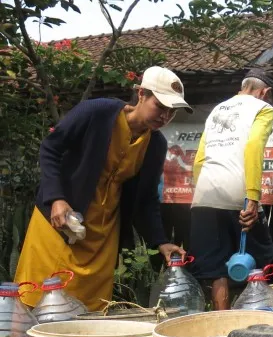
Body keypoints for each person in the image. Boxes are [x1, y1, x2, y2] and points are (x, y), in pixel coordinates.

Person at [14, 66, 190, 311]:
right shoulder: (97, 112)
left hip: (102, 235)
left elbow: (146, 198)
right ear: (141, 94)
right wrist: (56, 198)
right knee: (39, 300)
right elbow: (51, 149)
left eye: (171, 112)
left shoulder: (155, 144)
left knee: (90, 310)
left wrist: (160, 241)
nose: (164, 116)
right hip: (58, 223)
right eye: (160, 106)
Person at [188, 68, 273, 310]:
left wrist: (204, 190)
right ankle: (258, 315)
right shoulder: (263, 108)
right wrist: (253, 197)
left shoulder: (217, 109)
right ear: (265, 92)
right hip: (238, 191)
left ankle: (222, 325)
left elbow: (199, 158)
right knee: (261, 257)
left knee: (216, 268)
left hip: (205, 194)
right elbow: (254, 146)